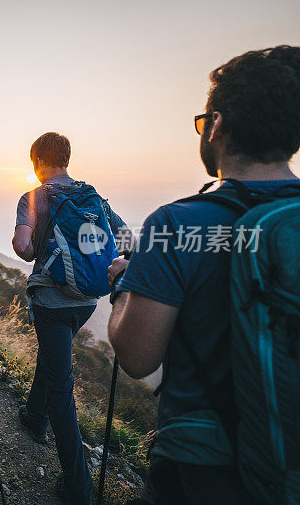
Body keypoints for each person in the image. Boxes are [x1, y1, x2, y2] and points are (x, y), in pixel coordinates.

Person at [107, 46, 300, 504]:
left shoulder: (174, 225)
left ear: (215, 125)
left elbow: (137, 358)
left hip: (202, 466)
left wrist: (123, 289)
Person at [12, 132, 127, 505]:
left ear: (37, 162)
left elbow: (22, 247)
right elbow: (126, 239)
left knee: (62, 388)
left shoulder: (35, 196)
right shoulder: (93, 196)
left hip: (52, 302)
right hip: (87, 300)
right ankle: (34, 415)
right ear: (66, 158)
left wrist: (35, 246)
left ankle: (79, 489)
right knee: (54, 357)